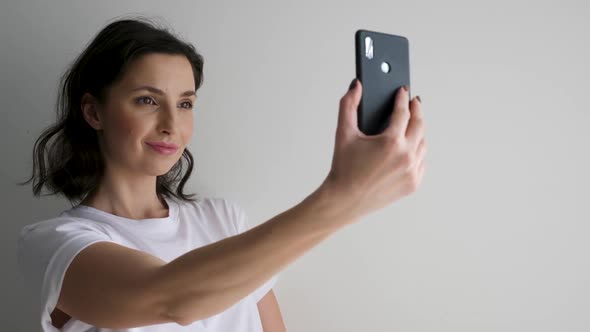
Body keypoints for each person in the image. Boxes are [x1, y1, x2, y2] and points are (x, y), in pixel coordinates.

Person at [17, 16, 426, 332]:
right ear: (93, 111)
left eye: (185, 104)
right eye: (147, 100)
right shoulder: (52, 246)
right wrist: (342, 197)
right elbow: (170, 297)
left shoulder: (224, 221)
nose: (171, 125)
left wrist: (348, 198)